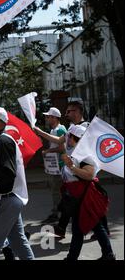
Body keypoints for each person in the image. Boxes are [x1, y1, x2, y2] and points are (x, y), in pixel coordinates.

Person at [34, 100, 110, 237]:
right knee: (71, 200)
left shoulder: (86, 128)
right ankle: (63, 228)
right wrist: (40, 132)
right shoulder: (72, 128)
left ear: (77, 111)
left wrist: (86, 169)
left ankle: (99, 231)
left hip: (82, 171)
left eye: (69, 111)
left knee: (81, 201)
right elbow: (59, 140)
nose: (66, 114)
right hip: (73, 170)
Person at [0, 106, 34, 260]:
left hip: (4, 200)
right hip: (5, 200)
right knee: (18, 243)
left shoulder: (3, 141)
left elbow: (8, 172)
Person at [60, 125, 115, 260]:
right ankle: (108, 254)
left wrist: (71, 167)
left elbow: (89, 174)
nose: (66, 139)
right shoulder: (76, 151)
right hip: (78, 196)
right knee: (95, 225)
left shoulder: (83, 155)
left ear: (73, 137)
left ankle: (72, 257)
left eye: (68, 136)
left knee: (79, 228)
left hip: (83, 197)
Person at [40, 108, 67, 224]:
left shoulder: (60, 129)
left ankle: (57, 214)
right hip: (57, 165)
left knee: (57, 191)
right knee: (59, 190)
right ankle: (60, 213)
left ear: (55, 118)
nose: (47, 118)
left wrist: (48, 151)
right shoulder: (55, 130)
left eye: (49, 116)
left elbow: (62, 148)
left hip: (60, 166)